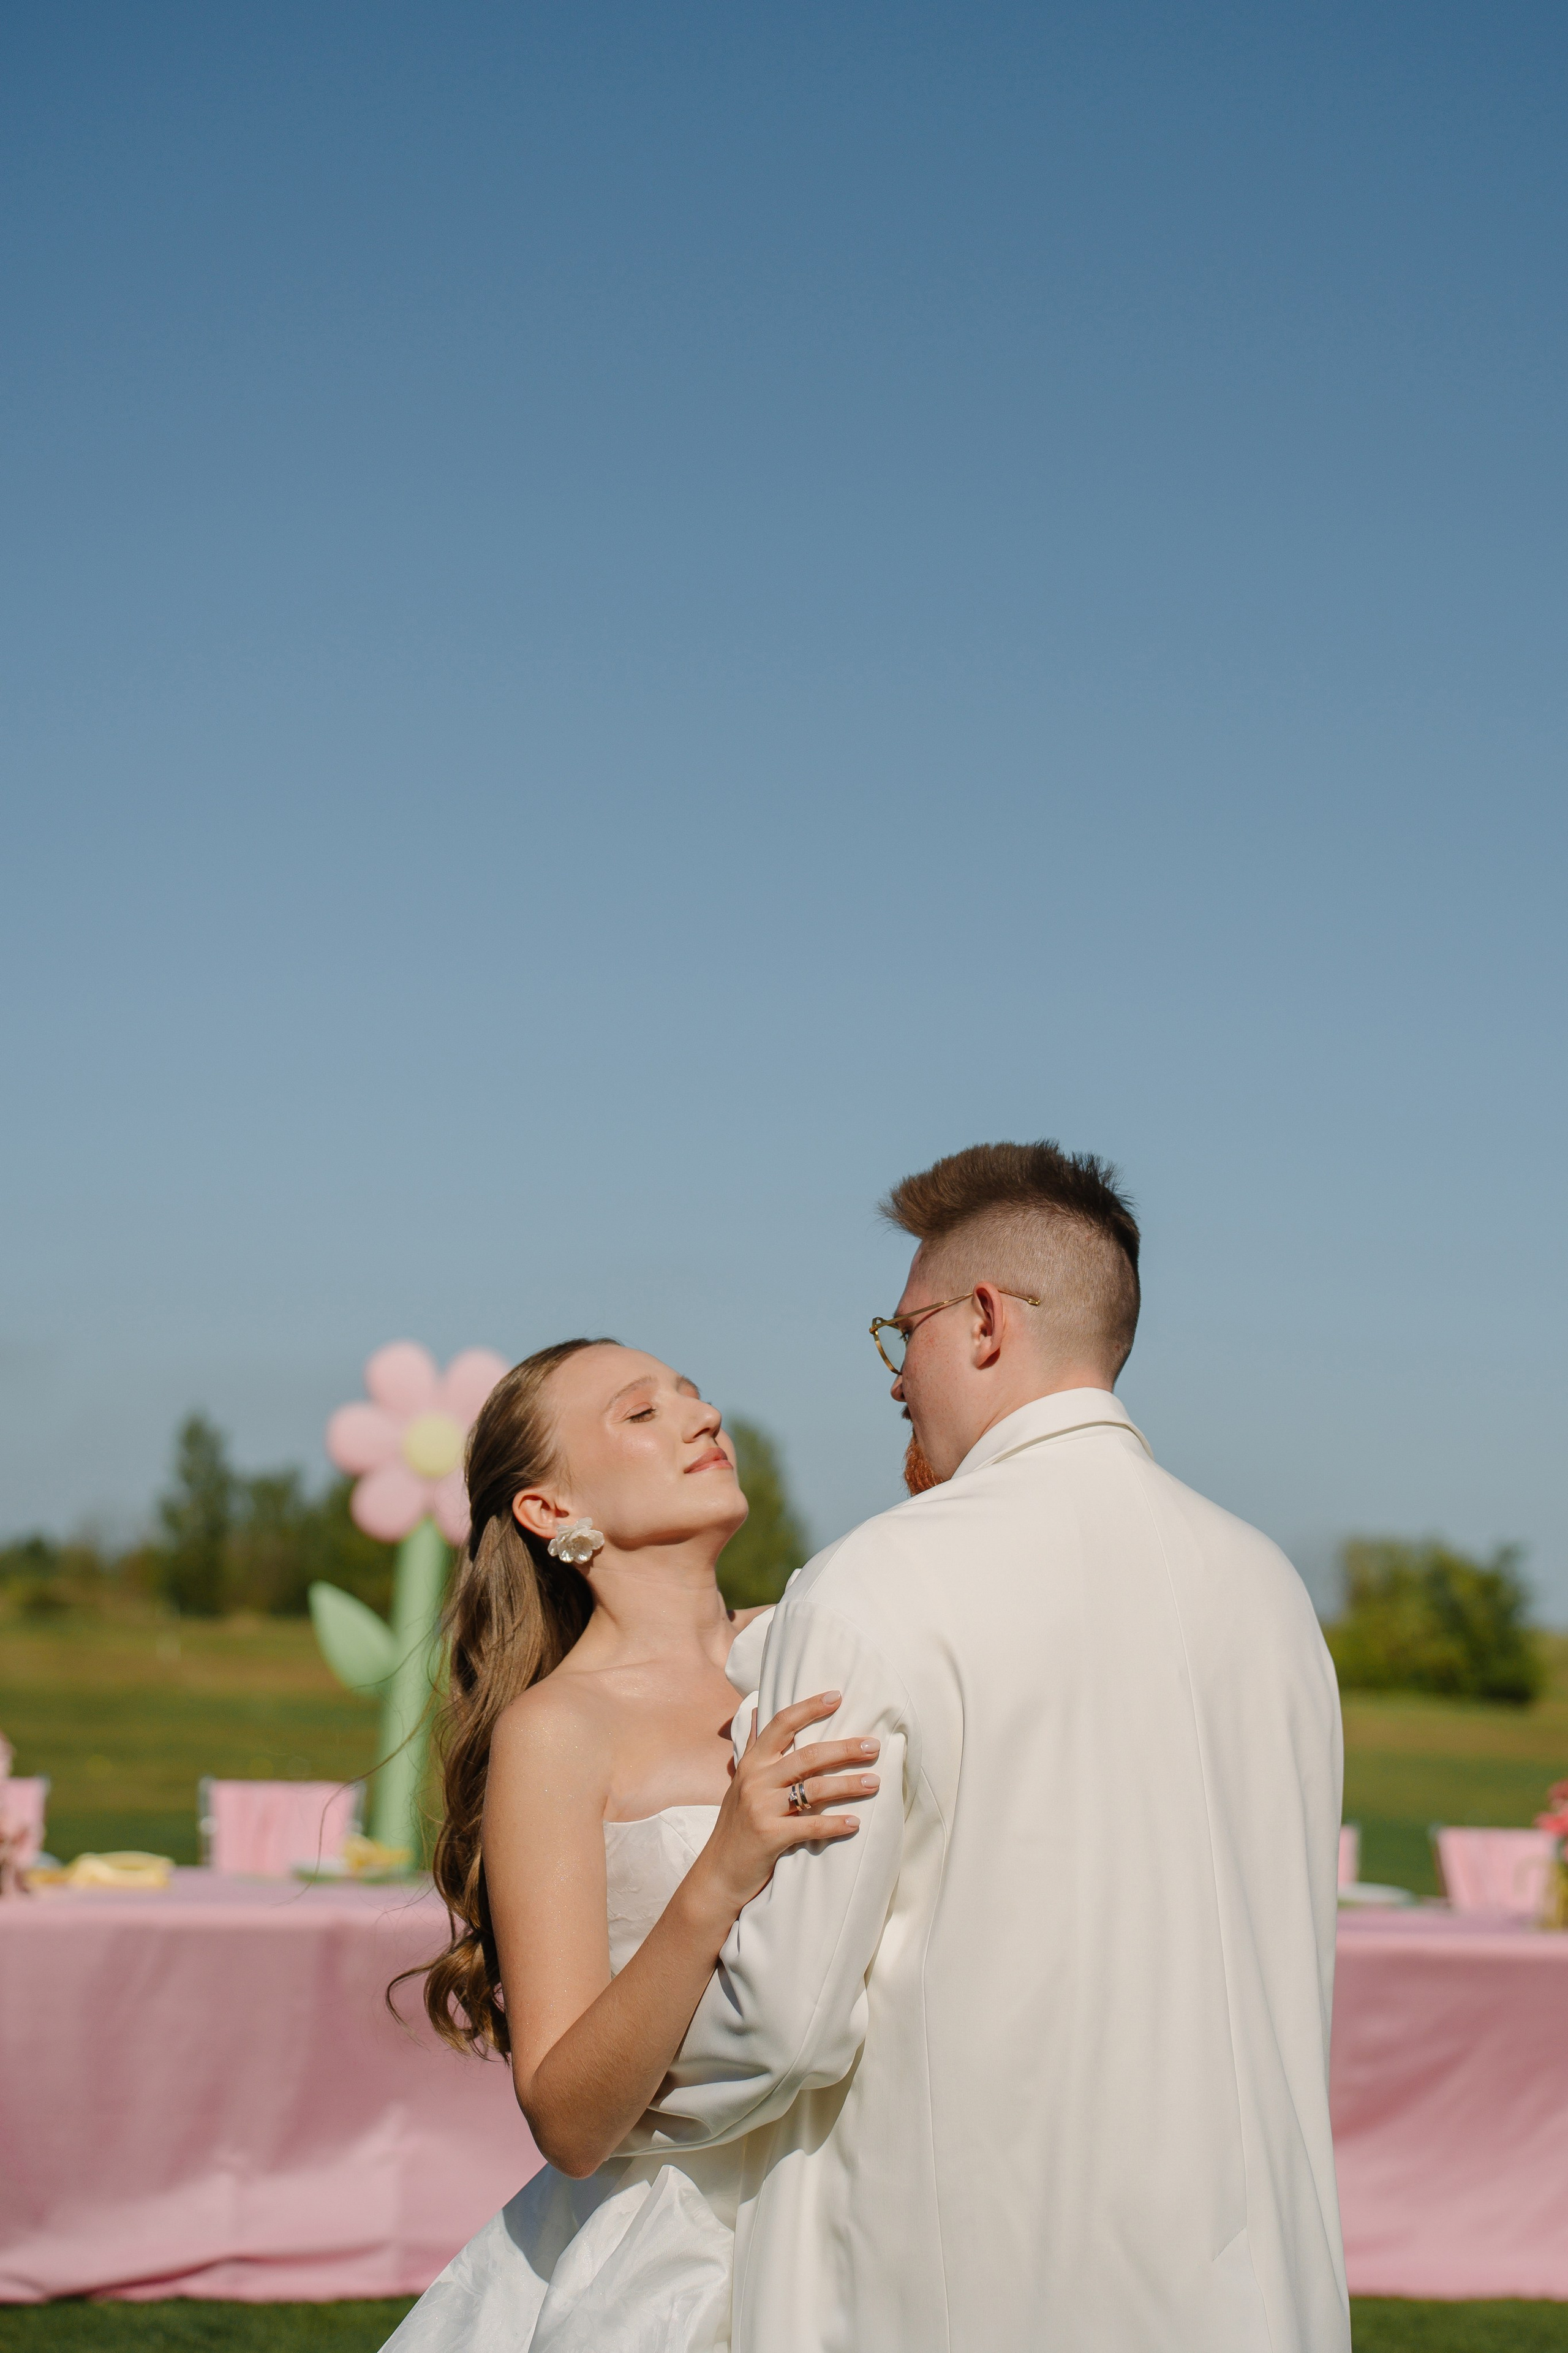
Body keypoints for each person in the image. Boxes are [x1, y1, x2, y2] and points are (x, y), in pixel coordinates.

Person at [629, 1139, 1350, 2352]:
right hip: (1254, 2289)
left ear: (977, 1320)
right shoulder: (1268, 1590)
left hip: (956, 2286)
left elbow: (788, 2021)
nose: (894, 1379)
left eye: (895, 1332)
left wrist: (610, 2081)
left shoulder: (875, 1581)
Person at [383, 1337, 877, 2353]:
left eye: (694, 1396)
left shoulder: (819, 1648)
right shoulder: (559, 1731)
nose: (701, 1417)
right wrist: (721, 1869)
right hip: (679, 2264)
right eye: (639, 1413)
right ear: (552, 1511)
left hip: (865, 2203)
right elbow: (568, 2122)